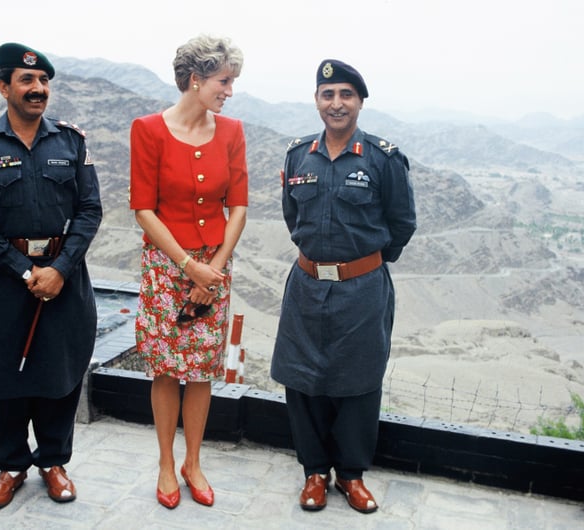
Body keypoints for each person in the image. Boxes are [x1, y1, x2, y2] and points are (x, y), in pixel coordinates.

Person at [0, 42, 102, 510]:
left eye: (42, 82)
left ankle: (54, 462)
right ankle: (10, 465)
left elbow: (89, 210)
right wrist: (23, 270)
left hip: (64, 276)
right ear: (4, 87)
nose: (38, 89)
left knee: (59, 370)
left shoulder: (71, 142)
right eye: (26, 81)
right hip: (4, 277)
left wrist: (59, 269)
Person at [271, 59, 416, 514]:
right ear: (317, 100)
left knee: (358, 381)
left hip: (362, 289)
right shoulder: (298, 156)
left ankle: (350, 475)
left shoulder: (383, 158)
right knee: (304, 380)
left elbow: (402, 224)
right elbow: (293, 217)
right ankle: (314, 472)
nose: (337, 103)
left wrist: (365, 265)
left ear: (360, 102)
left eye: (346, 95)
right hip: (308, 284)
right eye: (328, 95)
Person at [128, 34, 247, 509]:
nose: (229, 91)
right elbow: (143, 209)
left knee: (200, 371)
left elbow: (238, 206)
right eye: (224, 81)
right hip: (167, 266)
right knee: (165, 370)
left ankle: (192, 462)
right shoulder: (148, 130)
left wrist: (212, 269)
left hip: (214, 267)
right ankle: (164, 462)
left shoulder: (233, 131)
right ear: (195, 80)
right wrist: (187, 264)